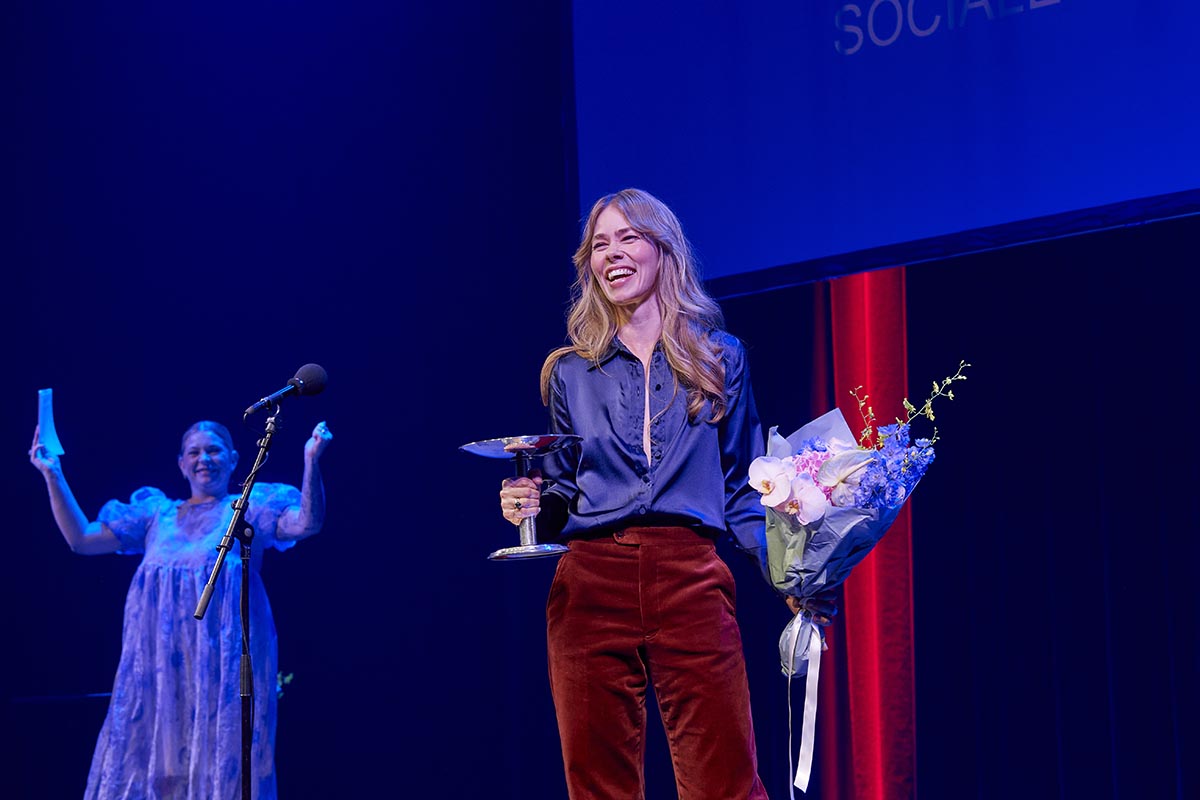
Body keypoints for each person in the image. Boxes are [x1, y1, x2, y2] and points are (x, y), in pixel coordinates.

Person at [499, 188, 833, 799]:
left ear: (663, 250)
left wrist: (791, 575)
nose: (612, 254)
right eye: (600, 244)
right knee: (598, 786)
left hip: (691, 579)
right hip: (590, 584)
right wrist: (528, 505)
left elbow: (743, 488)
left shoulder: (720, 358)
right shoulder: (570, 370)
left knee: (725, 782)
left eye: (627, 238)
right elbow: (565, 490)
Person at [30, 418, 333, 800]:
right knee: (158, 774)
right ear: (181, 463)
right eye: (195, 452)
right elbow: (82, 539)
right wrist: (53, 473)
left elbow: (306, 523)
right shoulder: (156, 515)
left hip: (222, 675)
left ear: (234, 459)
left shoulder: (248, 509)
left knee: (222, 771)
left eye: (214, 450)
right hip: (160, 678)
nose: (204, 459)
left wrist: (311, 460)